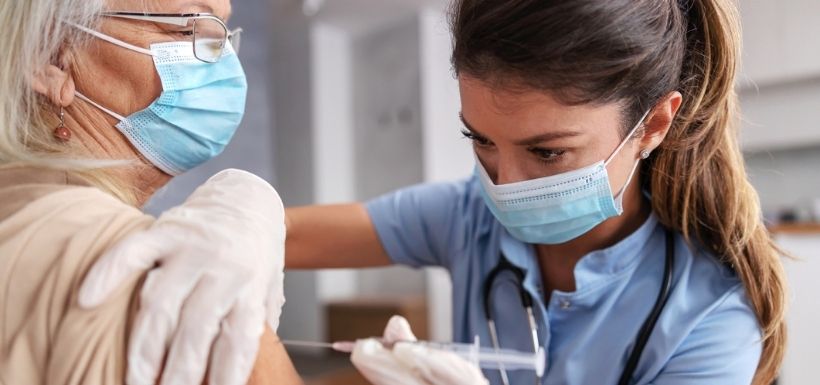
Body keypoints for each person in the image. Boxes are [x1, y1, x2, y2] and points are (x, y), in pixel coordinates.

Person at [90, 0, 788, 384]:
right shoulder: (469, 214)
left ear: (652, 124)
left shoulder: (707, 323)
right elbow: (286, 233)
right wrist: (241, 212)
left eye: (548, 151)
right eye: (479, 140)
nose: (503, 182)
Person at [0, 1, 300, 384]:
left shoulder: (18, 198)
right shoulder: (159, 276)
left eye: (221, 34)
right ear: (50, 59)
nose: (224, 64)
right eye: (188, 26)